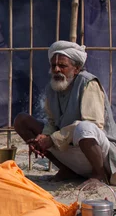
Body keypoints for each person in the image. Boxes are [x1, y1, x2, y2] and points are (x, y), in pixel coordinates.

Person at [14, 40, 116, 187]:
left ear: (76, 69)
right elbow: (52, 122)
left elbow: (93, 124)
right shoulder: (53, 86)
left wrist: (53, 139)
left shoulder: (88, 83)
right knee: (22, 120)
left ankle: (99, 175)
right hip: (70, 146)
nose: (56, 70)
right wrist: (44, 137)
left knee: (85, 128)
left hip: (101, 151)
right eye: (53, 65)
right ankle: (68, 169)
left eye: (62, 66)